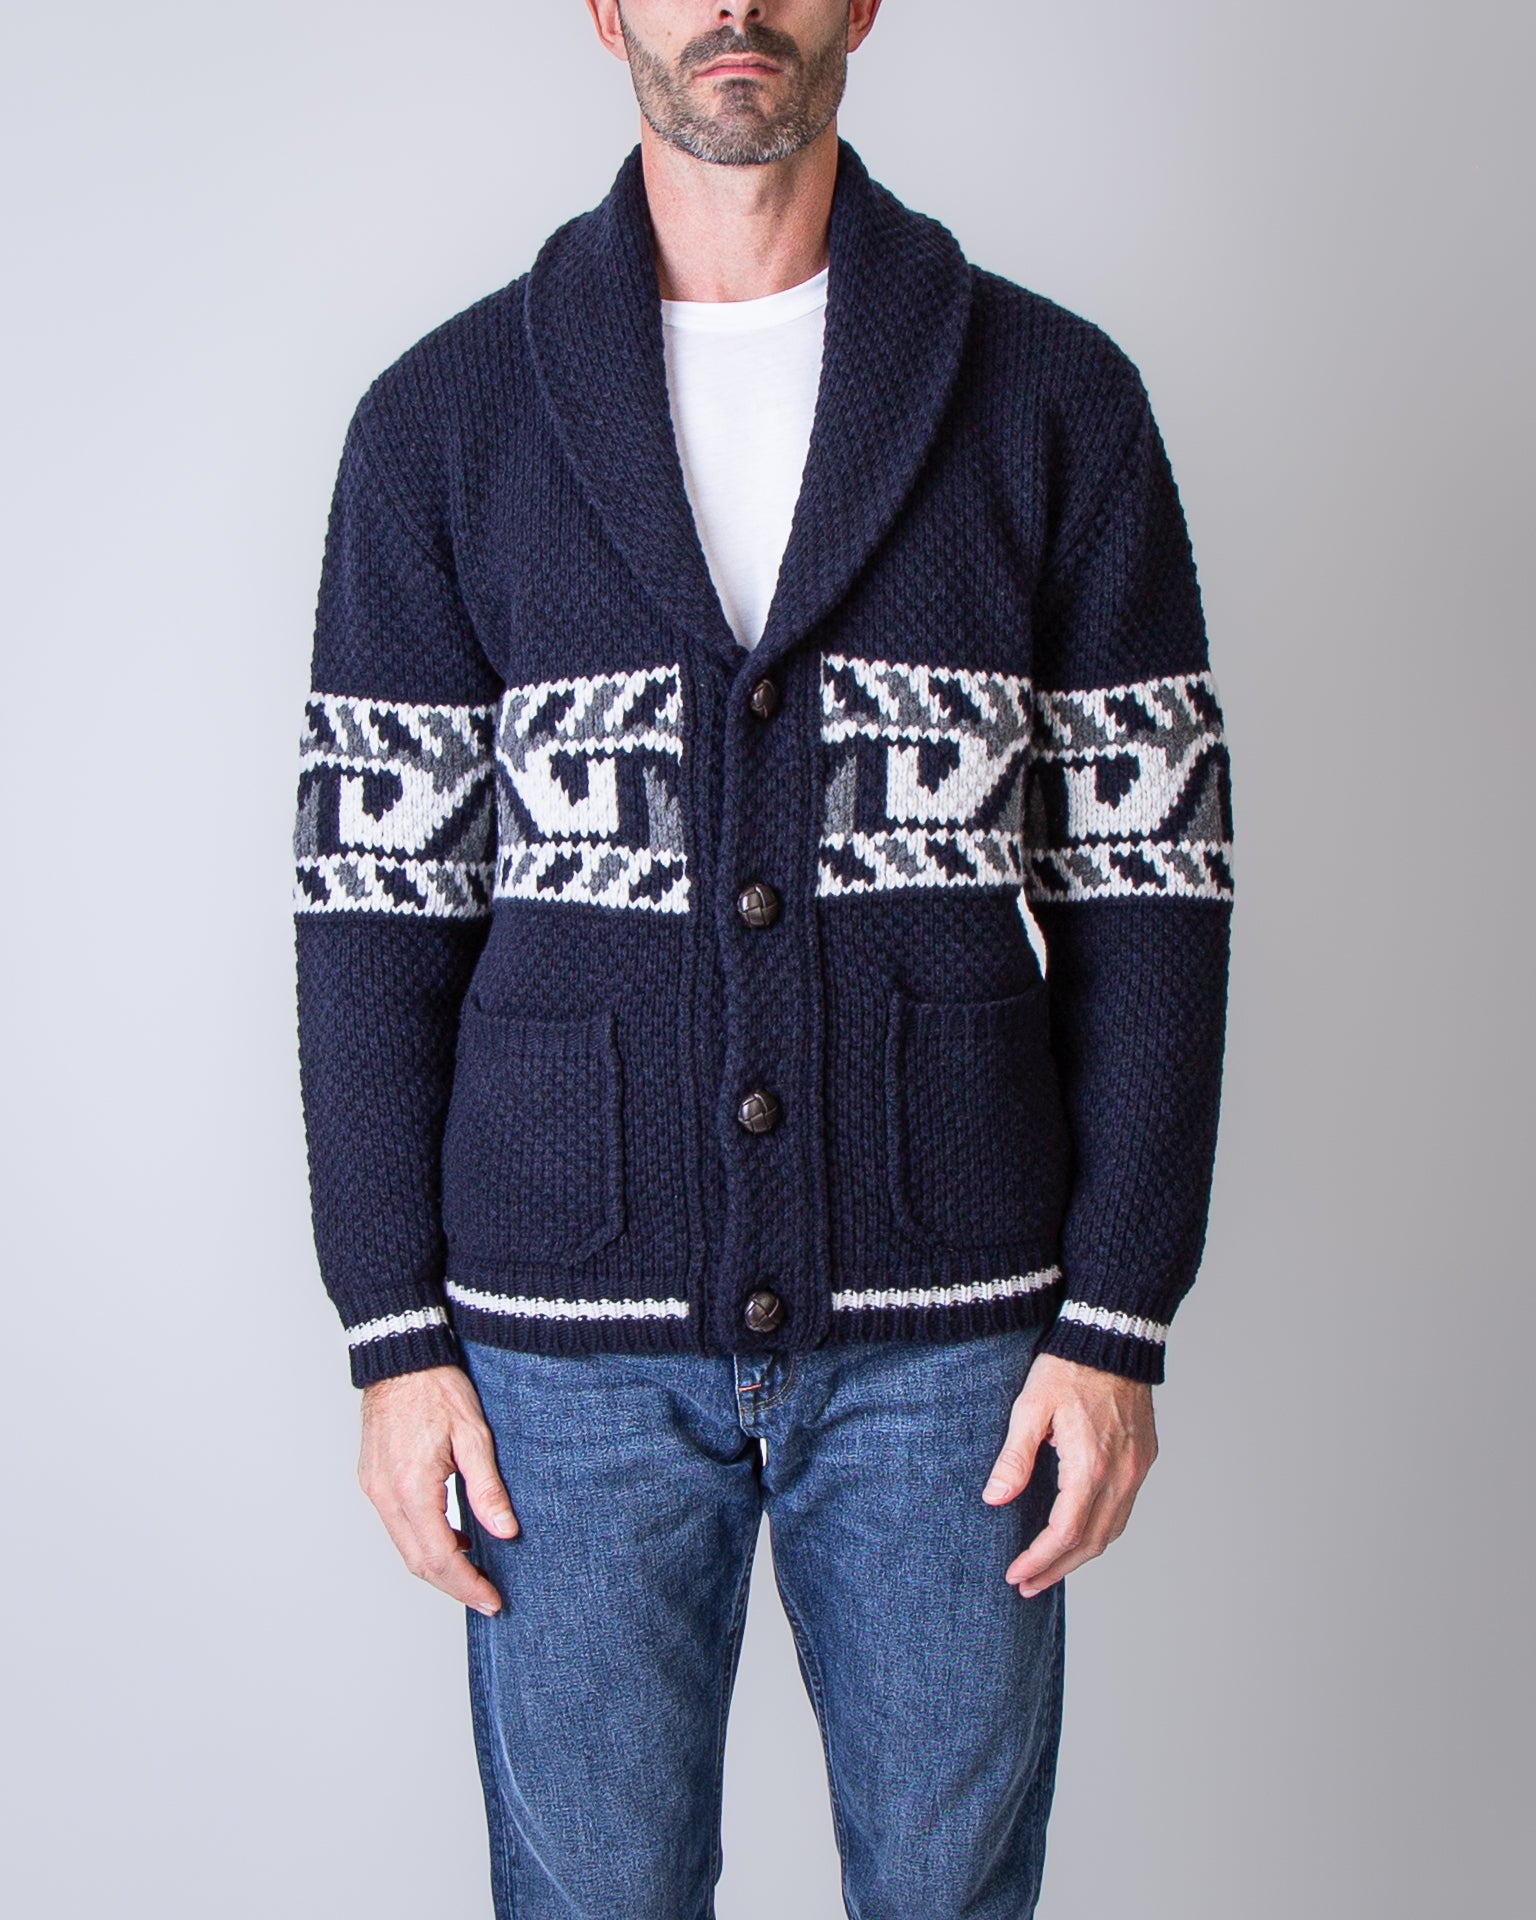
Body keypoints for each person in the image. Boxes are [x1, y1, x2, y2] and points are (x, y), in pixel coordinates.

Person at [291, 3, 1234, 1914]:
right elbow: (372, 914)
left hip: (957, 1343)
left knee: (953, 1898)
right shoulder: (445, 421)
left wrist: (1120, 1313)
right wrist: (391, 1333)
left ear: (865, 1)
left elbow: (1153, 889)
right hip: (557, 1350)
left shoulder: (1050, 400)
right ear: (605, 8)